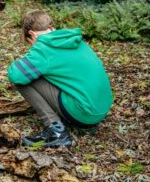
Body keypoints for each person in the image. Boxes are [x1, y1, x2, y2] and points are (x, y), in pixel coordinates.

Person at [7, 10, 113, 148]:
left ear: (32, 34)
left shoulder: (44, 47)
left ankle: (56, 131)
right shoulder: (73, 40)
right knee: (41, 72)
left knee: (23, 79)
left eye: (30, 43)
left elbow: (15, 75)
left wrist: (28, 57)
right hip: (100, 110)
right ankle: (77, 121)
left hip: (83, 113)